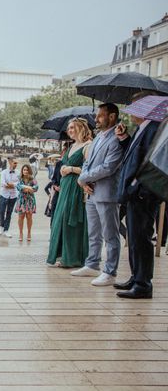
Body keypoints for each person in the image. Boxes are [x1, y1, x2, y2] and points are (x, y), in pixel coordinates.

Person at [113, 94, 162, 299]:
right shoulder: (141, 129)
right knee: (134, 238)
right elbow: (133, 157)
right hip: (134, 194)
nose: (129, 110)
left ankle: (143, 284)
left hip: (142, 194)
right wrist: (124, 139)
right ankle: (136, 277)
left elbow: (152, 161)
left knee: (141, 238)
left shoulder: (153, 129)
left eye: (132, 105)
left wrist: (140, 190)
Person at [72, 106, 123, 286]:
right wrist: (84, 181)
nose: (97, 119)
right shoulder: (97, 138)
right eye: (97, 116)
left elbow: (109, 167)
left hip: (107, 193)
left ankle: (110, 271)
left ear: (112, 116)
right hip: (91, 193)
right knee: (93, 232)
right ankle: (92, 263)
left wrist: (83, 178)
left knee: (110, 234)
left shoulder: (117, 139)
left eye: (100, 116)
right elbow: (87, 162)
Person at [47, 119, 92, 268]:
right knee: (60, 219)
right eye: (68, 128)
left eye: (72, 127)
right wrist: (63, 168)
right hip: (65, 187)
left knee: (71, 219)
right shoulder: (72, 146)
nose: (69, 130)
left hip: (77, 187)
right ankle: (62, 254)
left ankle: (72, 257)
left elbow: (90, 169)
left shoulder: (88, 146)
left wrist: (72, 169)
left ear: (81, 128)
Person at [15, 164, 39, 242]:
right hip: (21, 200)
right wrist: (27, 188)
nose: (25, 171)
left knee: (29, 217)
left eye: (27, 170)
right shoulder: (19, 178)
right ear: (22, 171)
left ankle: (29, 233)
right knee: (20, 217)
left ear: (29, 171)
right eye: (24, 170)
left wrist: (28, 189)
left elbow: (36, 187)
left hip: (30, 200)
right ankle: (21, 233)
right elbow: (18, 186)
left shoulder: (33, 179)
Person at [0, 157, 19, 238]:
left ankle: (6, 230)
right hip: (4, 194)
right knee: (1, 211)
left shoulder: (18, 173)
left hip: (13, 196)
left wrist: (11, 185)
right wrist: (12, 185)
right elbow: (2, 183)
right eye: (15, 163)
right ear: (10, 162)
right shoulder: (4, 172)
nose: (16, 165)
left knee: (9, 213)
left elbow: (18, 183)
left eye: (17, 163)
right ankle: (1, 227)